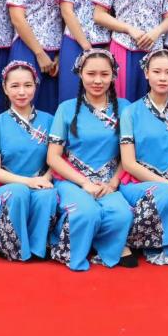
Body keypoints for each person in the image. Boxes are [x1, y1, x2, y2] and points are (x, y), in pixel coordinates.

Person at [46, 48, 135, 271]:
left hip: (108, 181)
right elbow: (53, 157)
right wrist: (84, 183)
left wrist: (113, 183)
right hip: (72, 180)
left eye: (104, 74)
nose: (97, 81)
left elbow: (128, 153)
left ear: (114, 75)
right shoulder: (66, 109)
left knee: (122, 214)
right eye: (91, 74)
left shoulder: (125, 107)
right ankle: (68, 243)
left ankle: (95, 243)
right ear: (80, 74)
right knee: (86, 212)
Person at [118, 49, 168, 266]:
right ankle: (130, 240)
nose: (162, 78)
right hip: (137, 182)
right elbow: (128, 163)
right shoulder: (131, 112)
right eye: (157, 71)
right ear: (146, 73)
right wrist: (166, 184)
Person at [0, 60, 58, 262]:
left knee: (47, 195)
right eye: (15, 86)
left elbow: (57, 159)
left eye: (28, 85)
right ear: (5, 88)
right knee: (18, 193)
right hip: (5, 185)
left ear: (36, 86)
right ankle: (13, 248)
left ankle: (38, 249)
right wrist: (29, 182)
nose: (22, 92)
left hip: (41, 182)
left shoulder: (50, 120)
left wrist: (46, 178)